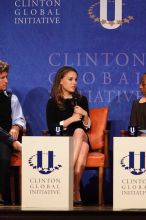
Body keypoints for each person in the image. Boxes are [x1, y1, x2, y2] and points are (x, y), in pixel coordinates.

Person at [46, 66, 91, 205]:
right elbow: (52, 128)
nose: (74, 83)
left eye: (76, 80)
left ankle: (67, 169)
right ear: (60, 81)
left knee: (78, 132)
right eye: (70, 79)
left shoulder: (81, 100)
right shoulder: (52, 102)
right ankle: (75, 190)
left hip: (80, 135)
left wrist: (85, 115)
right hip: (63, 140)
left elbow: (87, 127)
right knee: (83, 148)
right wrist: (70, 120)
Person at [0, 60, 26, 205]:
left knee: (3, 152)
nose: (7, 81)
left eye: (6, 77)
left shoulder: (11, 99)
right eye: (2, 78)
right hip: (8, 139)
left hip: (3, 141)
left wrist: (16, 126)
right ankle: (15, 144)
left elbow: (20, 119)